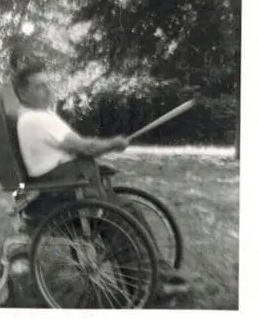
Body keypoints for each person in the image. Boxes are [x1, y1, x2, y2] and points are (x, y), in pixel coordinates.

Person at [12, 61, 191, 298]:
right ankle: (151, 287)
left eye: (48, 84)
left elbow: (73, 150)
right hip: (64, 196)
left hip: (71, 189)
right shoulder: (36, 120)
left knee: (129, 209)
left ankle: (159, 272)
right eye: (40, 87)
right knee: (123, 218)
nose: (48, 90)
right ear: (23, 93)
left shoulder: (38, 116)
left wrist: (98, 156)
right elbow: (83, 147)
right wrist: (113, 144)